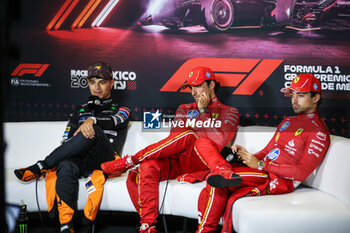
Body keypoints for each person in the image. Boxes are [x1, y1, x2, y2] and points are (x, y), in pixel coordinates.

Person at [101, 66, 240, 233]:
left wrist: (203, 112)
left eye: (198, 86)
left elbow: (218, 140)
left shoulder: (230, 111)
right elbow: (174, 139)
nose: (193, 92)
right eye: (191, 87)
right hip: (178, 161)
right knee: (148, 166)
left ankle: (130, 160)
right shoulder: (184, 108)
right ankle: (148, 226)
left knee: (189, 136)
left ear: (211, 85)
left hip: (204, 163)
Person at [195, 73, 330, 233]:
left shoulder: (318, 131)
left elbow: (300, 173)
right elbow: (268, 151)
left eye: (300, 95)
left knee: (216, 180)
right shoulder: (288, 121)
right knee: (203, 144)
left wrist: (260, 164)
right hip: (262, 169)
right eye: (292, 95)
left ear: (315, 98)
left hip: (277, 179)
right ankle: (222, 168)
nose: (294, 100)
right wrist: (246, 156)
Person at [14, 61, 131, 233]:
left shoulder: (122, 109)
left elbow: (117, 120)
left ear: (112, 83)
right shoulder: (79, 110)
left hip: (106, 160)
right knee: (65, 165)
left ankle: (41, 166)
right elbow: (66, 141)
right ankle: (66, 226)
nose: (97, 87)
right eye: (92, 82)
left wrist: (93, 121)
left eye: (102, 81)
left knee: (95, 131)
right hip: (83, 160)